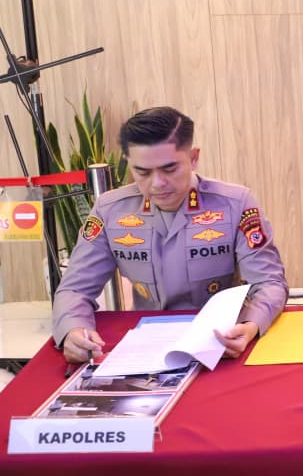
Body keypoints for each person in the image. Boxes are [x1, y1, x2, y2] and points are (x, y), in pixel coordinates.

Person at [53, 107, 288, 364]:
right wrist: (73, 330)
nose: (157, 183)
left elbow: (269, 282)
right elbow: (75, 288)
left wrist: (251, 324)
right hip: (145, 346)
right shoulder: (110, 210)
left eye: (170, 168)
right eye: (143, 172)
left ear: (193, 157)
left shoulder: (235, 203)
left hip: (221, 343)